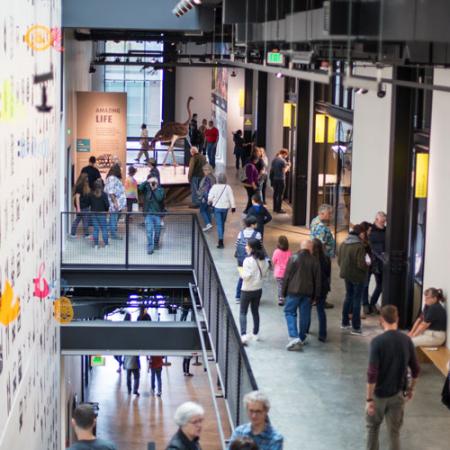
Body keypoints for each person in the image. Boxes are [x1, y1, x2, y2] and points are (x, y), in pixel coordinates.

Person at [366, 305, 420, 450]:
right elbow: (415, 369)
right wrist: (410, 389)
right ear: (397, 319)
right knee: (394, 433)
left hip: (378, 395)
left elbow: (372, 373)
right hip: (397, 394)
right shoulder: (406, 341)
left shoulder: (377, 342)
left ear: (381, 320)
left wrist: (369, 399)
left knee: (373, 429)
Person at [282, 240, 321, 351]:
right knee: (305, 315)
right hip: (308, 293)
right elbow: (317, 280)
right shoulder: (315, 261)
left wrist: (283, 292)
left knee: (289, 312)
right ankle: (302, 337)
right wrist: (316, 296)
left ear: (301, 247)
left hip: (293, 291)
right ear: (310, 248)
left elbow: (287, 276)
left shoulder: (293, 258)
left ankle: (294, 336)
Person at [338, 224, 369, 335]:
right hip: (357, 276)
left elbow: (339, 260)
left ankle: (345, 323)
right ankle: (356, 327)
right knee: (357, 300)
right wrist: (367, 265)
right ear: (360, 233)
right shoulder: (359, 246)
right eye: (364, 233)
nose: (365, 236)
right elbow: (361, 264)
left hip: (346, 275)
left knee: (348, 297)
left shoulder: (343, 244)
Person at [239, 238, 269, 344]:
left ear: (251, 248)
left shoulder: (247, 260)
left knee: (243, 312)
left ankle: (243, 335)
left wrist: (241, 272)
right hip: (258, 289)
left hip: (247, 289)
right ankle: (255, 333)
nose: (245, 247)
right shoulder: (264, 260)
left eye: (247, 245)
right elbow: (265, 274)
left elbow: (246, 277)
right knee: (255, 311)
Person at [310, 204, 335, 309]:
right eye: (329, 214)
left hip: (317, 255)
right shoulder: (321, 228)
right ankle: (321, 300)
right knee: (323, 278)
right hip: (322, 257)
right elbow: (321, 244)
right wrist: (325, 258)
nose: (331, 216)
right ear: (322, 213)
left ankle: (315, 298)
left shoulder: (314, 221)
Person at [235, 216, 262, 303]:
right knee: (252, 276)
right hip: (252, 259)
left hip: (240, 259)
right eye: (255, 223)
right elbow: (260, 247)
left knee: (242, 276)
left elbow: (236, 245)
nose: (257, 224)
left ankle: (238, 296)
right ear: (252, 225)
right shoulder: (257, 235)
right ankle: (250, 296)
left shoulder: (240, 233)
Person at [207, 173, 236, 248]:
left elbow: (210, 196)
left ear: (218, 179)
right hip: (225, 208)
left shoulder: (214, 187)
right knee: (222, 223)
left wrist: (209, 201)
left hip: (217, 207)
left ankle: (220, 240)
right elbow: (231, 197)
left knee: (219, 224)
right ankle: (221, 237)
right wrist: (233, 207)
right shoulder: (228, 187)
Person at [139, 175, 165, 255]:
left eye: (154, 183)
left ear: (157, 183)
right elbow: (140, 188)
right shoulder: (147, 189)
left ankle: (156, 243)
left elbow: (159, 198)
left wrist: (155, 189)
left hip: (157, 214)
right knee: (149, 231)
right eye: (151, 183)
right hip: (148, 214)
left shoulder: (161, 190)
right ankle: (150, 247)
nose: (152, 184)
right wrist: (147, 181)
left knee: (157, 231)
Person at [311, 238, 331, 342]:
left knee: (307, 309)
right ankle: (322, 334)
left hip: (311, 287)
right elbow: (328, 274)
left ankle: (305, 329)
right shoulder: (326, 258)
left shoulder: (310, 259)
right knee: (321, 310)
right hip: (323, 287)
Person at [368, 211, 387, 314]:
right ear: (376, 220)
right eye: (382, 221)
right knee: (380, 285)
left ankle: (372, 305)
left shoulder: (386, 230)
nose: (383, 223)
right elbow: (374, 249)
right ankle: (371, 305)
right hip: (376, 263)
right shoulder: (372, 232)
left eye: (384, 221)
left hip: (384, 262)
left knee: (382, 285)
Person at [104, 164, 126, 240]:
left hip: (116, 203)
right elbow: (111, 192)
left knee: (114, 218)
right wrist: (116, 203)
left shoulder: (111, 178)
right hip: (114, 204)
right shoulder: (112, 178)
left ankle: (112, 232)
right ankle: (113, 234)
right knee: (113, 218)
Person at [272, 236, 292, 306]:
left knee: (280, 286)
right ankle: (287, 296)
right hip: (287, 273)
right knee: (286, 285)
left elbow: (274, 261)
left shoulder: (276, 251)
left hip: (279, 273)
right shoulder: (289, 252)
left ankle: (281, 298)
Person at [89, 180, 109, 249]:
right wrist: (106, 211)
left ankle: (96, 245)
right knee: (104, 229)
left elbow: (89, 204)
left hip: (94, 214)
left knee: (96, 229)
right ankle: (106, 244)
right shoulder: (104, 194)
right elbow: (107, 205)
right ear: (102, 186)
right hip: (102, 214)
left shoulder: (91, 194)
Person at [70, 173, 91, 239]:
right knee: (84, 220)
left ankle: (73, 233)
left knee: (79, 220)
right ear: (84, 178)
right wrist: (78, 208)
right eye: (87, 177)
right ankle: (86, 234)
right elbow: (77, 198)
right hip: (82, 207)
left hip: (85, 206)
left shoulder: (85, 186)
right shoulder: (79, 186)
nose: (88, 179)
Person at [269, 149, 290, 214]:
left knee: (275, 194)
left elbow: (272, 170)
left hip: (275, 179)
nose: (286, 156)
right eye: (286, 155)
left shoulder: (274, 160)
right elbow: (284, 171)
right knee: (280, 194)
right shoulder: (282, 161)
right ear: (284, 154)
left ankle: (275, 208)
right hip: (281, 179)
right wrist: (288, 166)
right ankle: (279, 209)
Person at [197, 164, 216, 231]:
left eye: (204, 170)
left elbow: (206, 189)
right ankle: (209, 224)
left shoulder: (207, 178)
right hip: (212, 197)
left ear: (208, 170)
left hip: (206, 197)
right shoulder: (213, 177)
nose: (203, 172)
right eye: (203, 170)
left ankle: (208, 224)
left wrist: (203, 197)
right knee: (207, 210)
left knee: (202, 210)